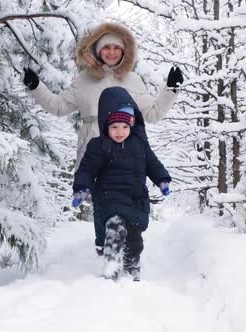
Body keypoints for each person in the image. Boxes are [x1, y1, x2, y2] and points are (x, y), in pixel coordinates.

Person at [22, 22, 182, 255]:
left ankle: (128, 246)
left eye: (117, 48)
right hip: (93, 148)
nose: (111, 52)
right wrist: (36, 87)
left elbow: (153, 113)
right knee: (100, 199)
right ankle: (104, 248)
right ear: (96, 50)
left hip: (126, 150)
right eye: (106, 47)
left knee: (126, 196)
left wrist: (171, 89)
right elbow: (58, 106)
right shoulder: (83, 81)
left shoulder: (133, 80)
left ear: (124, 52)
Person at [71, 86, 171, 281]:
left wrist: (162, 179)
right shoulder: (99, 146)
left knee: (135, 239)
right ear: (105, 125)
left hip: (136, 199)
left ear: (132, 125)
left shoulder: (140, 144)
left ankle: (132, 263)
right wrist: (82, 188)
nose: (120, 131)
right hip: (110, 197)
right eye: (114, 126)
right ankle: (111, 265)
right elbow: (87, 170)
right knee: (115, 228)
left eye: (125, 127)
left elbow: (152, 163)